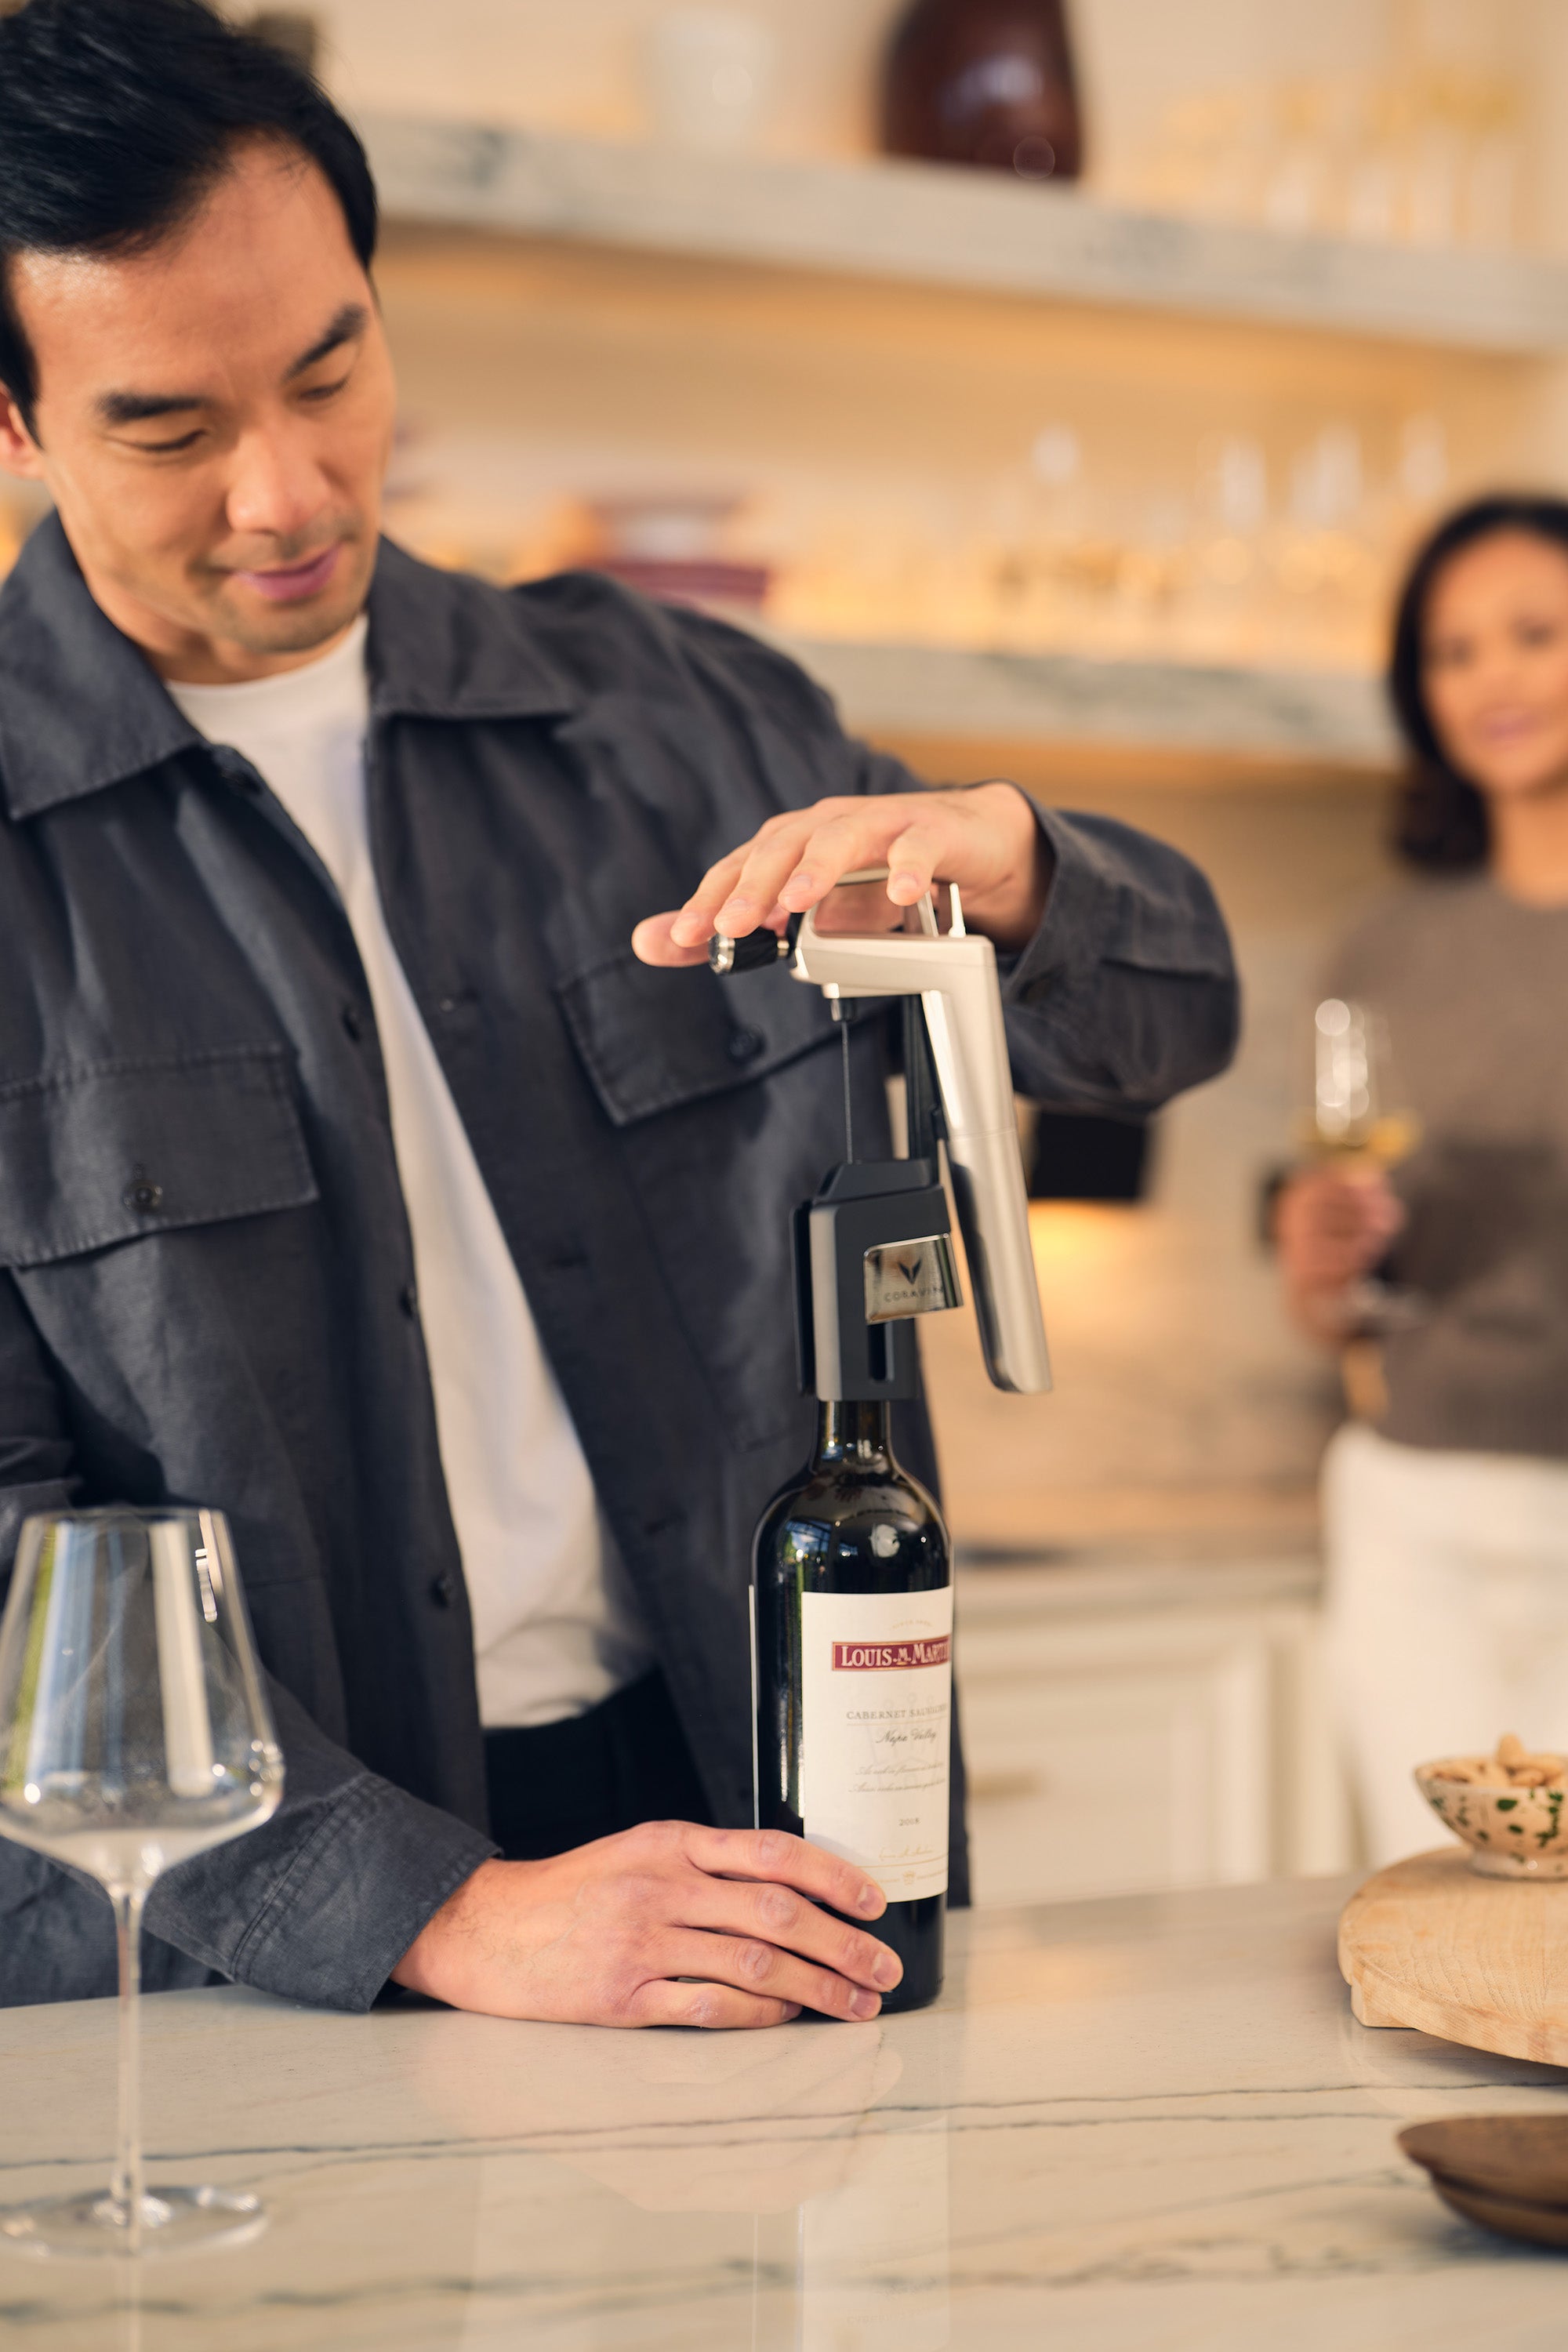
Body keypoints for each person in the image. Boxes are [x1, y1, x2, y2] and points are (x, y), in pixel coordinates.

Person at [0, 0, 1237, 2023]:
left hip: (759, 1825)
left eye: (332, 370)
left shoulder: (678, 717)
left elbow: (1167, 1022)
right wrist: (431, 1907)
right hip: (234, 1941)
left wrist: (1006, 870)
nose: (289, 489)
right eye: (170, 428)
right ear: (17, 421)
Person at [1277, 493, 1568, 1865]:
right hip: (1417, 1516)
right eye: (1453, 653)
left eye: (1534, 634)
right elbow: (1334, 1306)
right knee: (1435, 1919)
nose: (1492, 680)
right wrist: (1318, 1258)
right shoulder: (1382, 949)